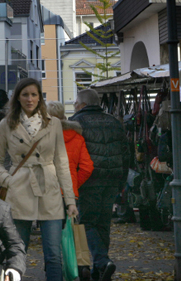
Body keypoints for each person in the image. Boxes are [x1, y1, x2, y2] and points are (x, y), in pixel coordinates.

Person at [0, 78, 77, 281]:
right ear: (17, 98)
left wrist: (70, 201)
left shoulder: (53, 123)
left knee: (54, 254)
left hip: (49, 190)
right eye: (25, 94)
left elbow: (61, 163)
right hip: (19, 190)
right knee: (16, 252)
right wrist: (9, 180)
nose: (30, 99)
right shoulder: (7, 123)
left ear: (40, 97)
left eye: (34, 94)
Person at [69, 89, 130, 281]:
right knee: (103, 224)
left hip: (88, 181)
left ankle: (103, 262)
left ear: (82, 104)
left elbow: (72, 156)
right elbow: (125, 153)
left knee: (86, 223)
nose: (74, 106)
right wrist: (122, 181)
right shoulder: (114, 121)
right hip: (112, 180)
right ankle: (99, 270)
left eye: (75, 103)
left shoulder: (75, 123)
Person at [47, 101, 94, 200]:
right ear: (63, 116)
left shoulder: (40, 137)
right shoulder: (77, 137)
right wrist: (74, 184)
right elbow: (87, 167)